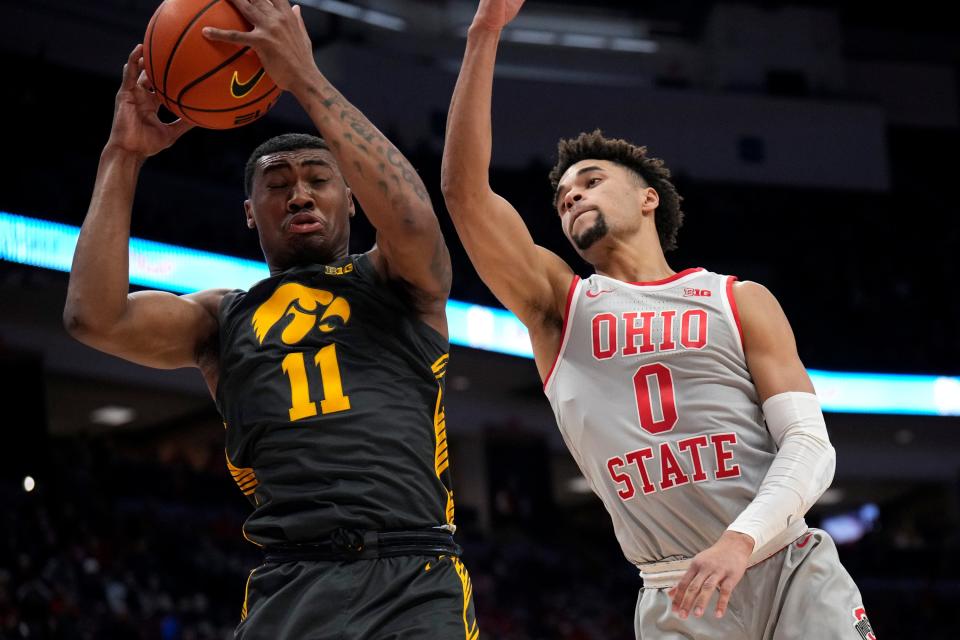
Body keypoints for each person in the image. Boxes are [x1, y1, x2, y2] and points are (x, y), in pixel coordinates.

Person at [440, 0, 872, 638]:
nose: (573, 197)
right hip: (675, 588)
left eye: (590, 181)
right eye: (562, 199)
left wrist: (740, 541)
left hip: (787, 563)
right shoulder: (561, 308)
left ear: (648, 198)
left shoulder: (738, 298)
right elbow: (463, 192)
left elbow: (810, 447)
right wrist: (483, 35)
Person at [63, 1, 479, 638]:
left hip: (413, 574)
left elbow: (416, 218)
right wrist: (123, 154)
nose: (301, 193)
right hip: (291, 581)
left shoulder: (398, 282)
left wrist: (305, 78)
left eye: (320, 178)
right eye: (277, 184)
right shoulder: (219, 317)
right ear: (251, 213)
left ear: (353, 199)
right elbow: (93, 318)